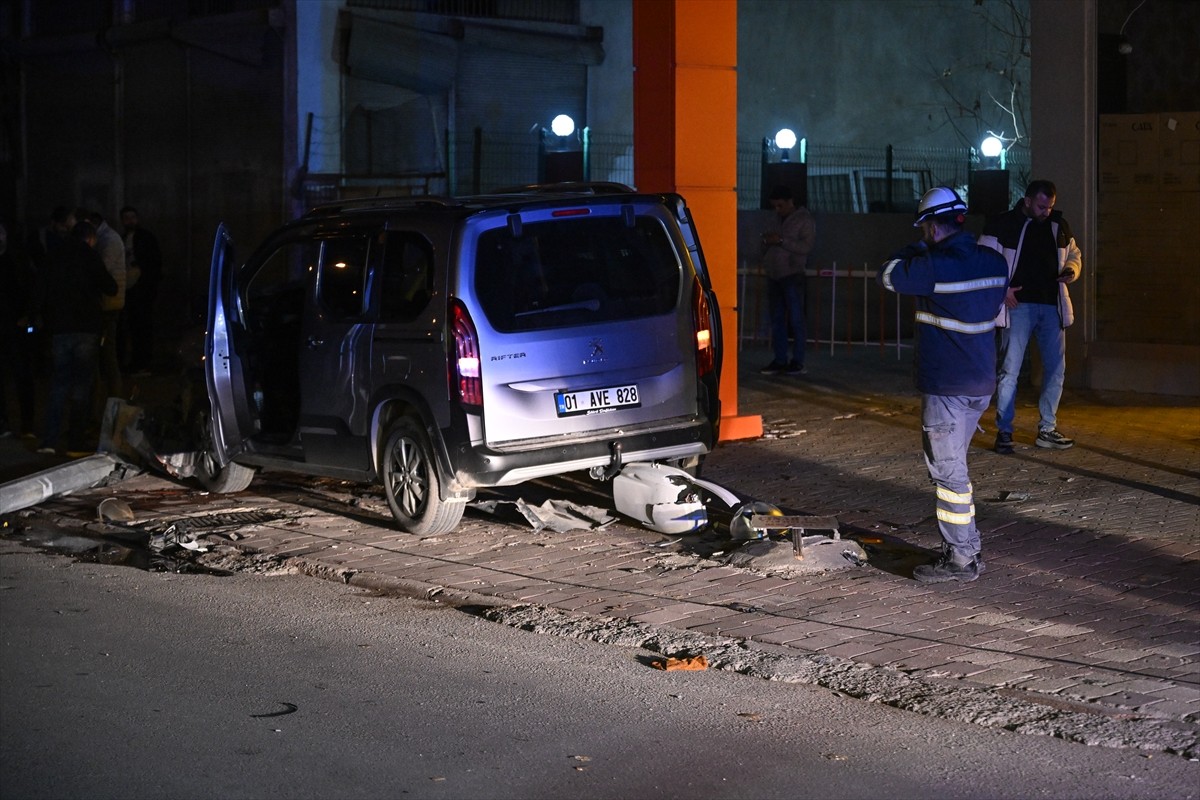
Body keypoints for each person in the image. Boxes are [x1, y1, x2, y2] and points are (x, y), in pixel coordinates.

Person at [878, 187, 1008, 583]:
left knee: (949, 477)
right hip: (980, 384)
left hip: (946, 387)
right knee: (957, 470)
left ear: (933, 228)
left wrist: (914, 247)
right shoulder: (995, 262)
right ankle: (968, 545)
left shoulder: (932, 266)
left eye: (925, 227)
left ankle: (961, 558)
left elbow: (888, 274)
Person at [979, 179, 1082, 454]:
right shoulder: (1004, 224)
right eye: (1041, 206)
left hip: (1052, 304)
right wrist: (1003, 290)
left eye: (1050, 206)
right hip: (1019, 305)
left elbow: (1074, 253)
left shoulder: (1058, 225)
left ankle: (1047, 428)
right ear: (1026, 200)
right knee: (1010, 370)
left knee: (1055, 369)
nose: (1046, 211)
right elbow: (983, 260)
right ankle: (1005, 431)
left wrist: (1071, 270)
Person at [35, 220, 118, 455]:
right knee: (82, 386)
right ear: (90, 238)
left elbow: (39, 288)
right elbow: (110, 287)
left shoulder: (54, 256)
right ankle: (75, 442)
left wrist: (33, 317)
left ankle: (48, 441)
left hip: (59, 328)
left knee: (59, 384)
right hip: (86, 328)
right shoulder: (90, 257)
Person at [759, 185, 815, 376]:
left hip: (792, 274)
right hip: (774, 274)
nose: (777, 209)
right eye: (774, 206)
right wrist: (767, 244)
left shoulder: (804, 220)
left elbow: (806, 247)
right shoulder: (775, 219)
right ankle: (780, 359)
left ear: (790, 202)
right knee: (777, 320)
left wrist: (781, 241)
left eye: (780, 205)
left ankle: (797, 361)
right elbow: (765, 240)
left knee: (796, 320)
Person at [83, 209, 126, 404]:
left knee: (107, 358)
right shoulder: (108, 238)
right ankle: (109, 405)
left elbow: (102, 271)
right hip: (107, 303)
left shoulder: (108, 240)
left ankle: (112, 406)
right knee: (105, 357)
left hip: (108, 305)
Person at [0, 222, 38, 438]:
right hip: (15, 325)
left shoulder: (17, 261)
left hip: (15, 325)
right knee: (21, 375)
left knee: (21, 374)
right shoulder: (18, 260)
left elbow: (29, 289)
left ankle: (22, 423)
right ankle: (23, 424)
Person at [118, 205, 163, 375]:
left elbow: (154, 262)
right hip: (130, 289)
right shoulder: (123, 238)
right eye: (126, 218)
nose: (130, 221)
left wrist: (146, 280)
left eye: (132, 217)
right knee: (134, 325)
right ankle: (137, 361)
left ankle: (143, 362)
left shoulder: (145, 238)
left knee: (143, 326)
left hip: (142, 289)